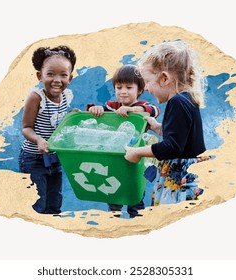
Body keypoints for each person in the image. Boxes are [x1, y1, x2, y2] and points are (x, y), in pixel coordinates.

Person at [124, 40, 210, 205]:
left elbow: (172, 147)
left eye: (148, 81)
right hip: (190, 172)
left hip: (179, 179)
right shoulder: (187, 98)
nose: (147, 88)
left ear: (164, 78)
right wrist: (157, 127)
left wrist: (137, 152)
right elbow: (181, 137)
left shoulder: (176, 102)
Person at [88, 64, 160, 217]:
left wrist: (131, 110)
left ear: (139, 90)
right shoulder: (112, 106)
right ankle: (114, 225)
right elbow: (96, 112)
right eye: (119, 87)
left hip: (136, 161)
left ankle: (137, 224)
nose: (123, 92)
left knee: (135, 197)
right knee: (113, 194)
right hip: (115, 159)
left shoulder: (142, 106)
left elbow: (154, 110)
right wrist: (96, 109)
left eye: (129, 87)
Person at [18, 45, 76, 214]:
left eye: (63, 75)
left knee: (54, 202)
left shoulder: (67, 96)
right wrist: (38, 140)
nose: (57, 80)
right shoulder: (36, 97)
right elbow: (26, 128)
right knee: (37, 204)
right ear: (39, 75)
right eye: (50, 74)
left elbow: (58, 124)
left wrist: (71, 117)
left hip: (55, 158)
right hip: (33, 159)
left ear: (70, 78)